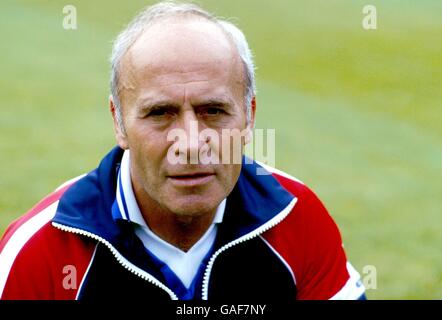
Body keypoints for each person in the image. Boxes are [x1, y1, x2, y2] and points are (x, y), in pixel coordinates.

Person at [0, 1, 366, 300]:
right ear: (119, 122)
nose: (191, 144)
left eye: (214, 111)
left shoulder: (298, 218)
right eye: (160, 113)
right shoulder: (41, 250)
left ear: (249, 116)